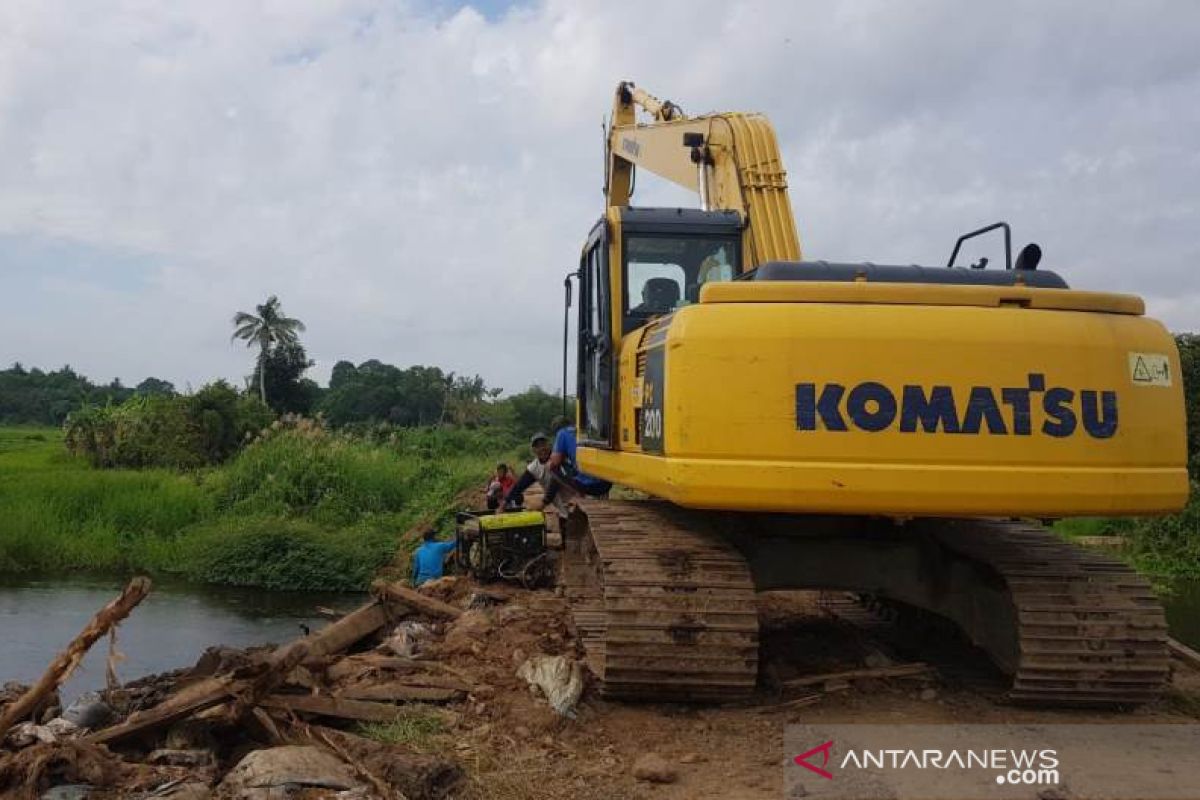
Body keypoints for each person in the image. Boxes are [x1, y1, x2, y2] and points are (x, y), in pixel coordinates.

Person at [547, 423, 612, 498]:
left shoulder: (562, 433)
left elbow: (555, 461)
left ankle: (576, 494)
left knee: (553, 468)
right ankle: (602, 495)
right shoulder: (591, 428)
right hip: (606, 484)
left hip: (587, 486)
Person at [501, 433, 554, 510]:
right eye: (538, 446)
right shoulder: (534, 468)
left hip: (574, 502)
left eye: (543, 444)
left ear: (549, 445)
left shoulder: (557, 459)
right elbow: (519, 486)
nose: (542, 448)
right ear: (533, 450)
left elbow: (555, 484)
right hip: (562, 507)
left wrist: (543, 503)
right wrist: (504, 503)